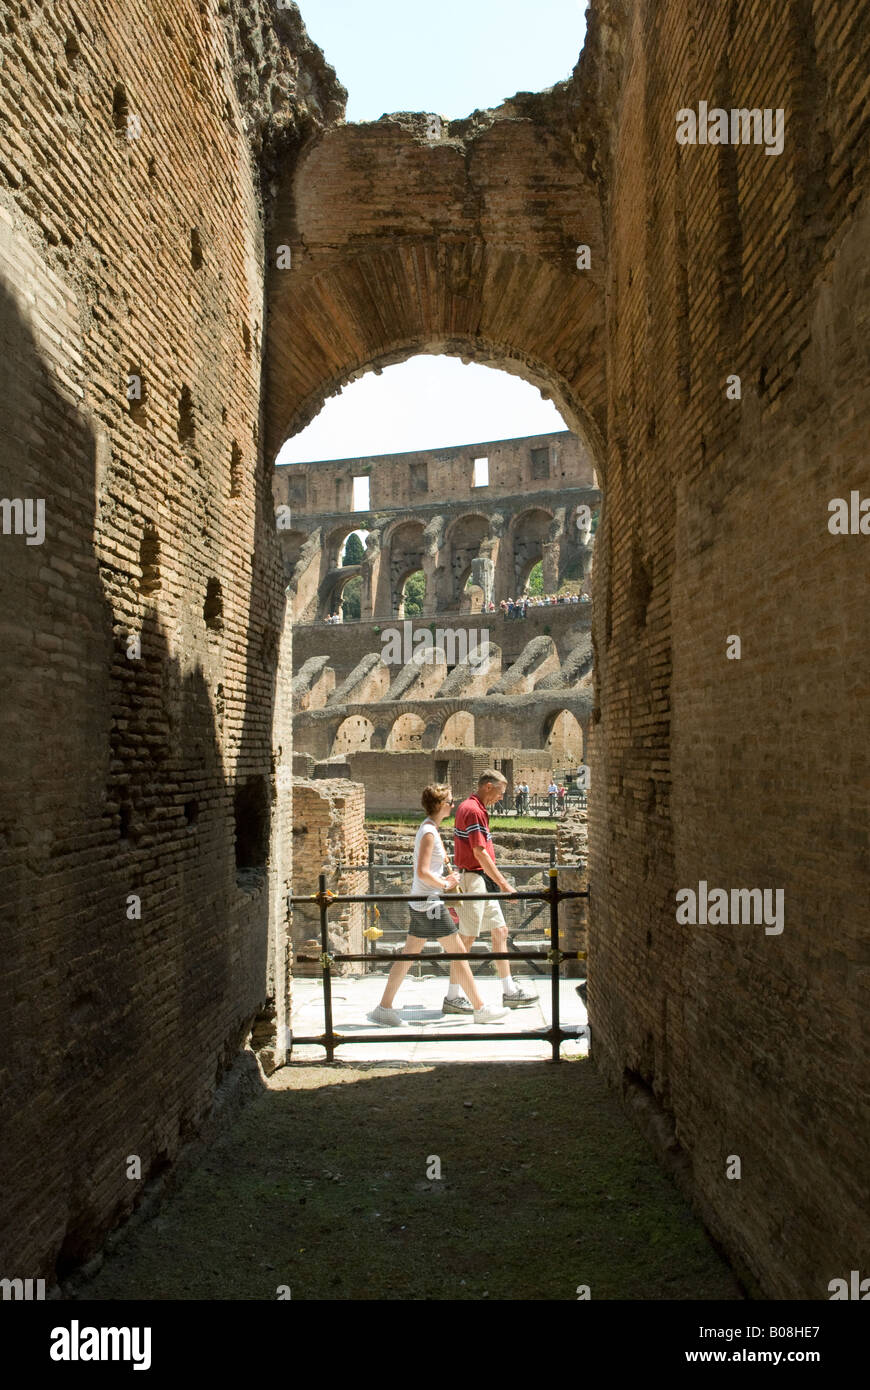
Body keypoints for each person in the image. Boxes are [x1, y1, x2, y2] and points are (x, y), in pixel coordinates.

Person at [367, 785, 507, 1027]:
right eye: (451, 802)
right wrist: (445, 882)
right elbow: (422, 872)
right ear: (442, 805)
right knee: (459, 953)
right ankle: (480, 1008)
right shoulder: (429, 832)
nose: (453, 805)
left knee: (408, 956)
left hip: (422, 903)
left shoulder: (429, 829)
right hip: (430, 903)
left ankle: (384, 1007)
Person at [448, 770, 536, 1010]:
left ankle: (509, 991)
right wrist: (505, 885)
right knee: (466, 937)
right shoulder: (474, 810)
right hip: (473, 878)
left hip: (481, 878)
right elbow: (479, 852)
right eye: (500, 792)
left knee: (500, 931)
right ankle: (452, 996)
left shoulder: (474, 808)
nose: (501, 797)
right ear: (488, 786)